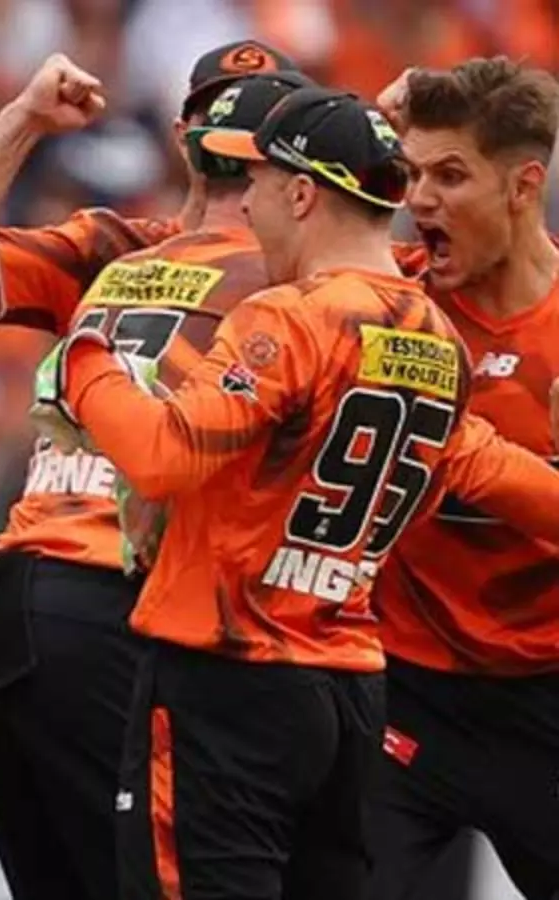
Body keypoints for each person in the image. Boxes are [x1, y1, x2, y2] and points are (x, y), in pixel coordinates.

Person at [48, 85, 559, 900]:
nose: (245, 206)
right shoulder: (438, 337)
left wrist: (84, 358)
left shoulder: (288, 317)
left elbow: (162, 455)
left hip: (228, 671)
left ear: (299, 193)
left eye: (254, 183)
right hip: (350, 685)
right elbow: (466, 476)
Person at [0, 41, 302, 900]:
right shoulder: (294, 276)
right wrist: (23, 120)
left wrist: (23, 118)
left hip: (12, 608)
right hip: (113, 601)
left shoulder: (119, 256)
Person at [362, 58, 559, 900]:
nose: (420, 200)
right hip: (403, 687)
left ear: (524, 186)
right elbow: (286, 221)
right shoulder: (388, 301)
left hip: (544, 695)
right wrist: (370, 134)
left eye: (448, 176)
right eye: (409, 176)